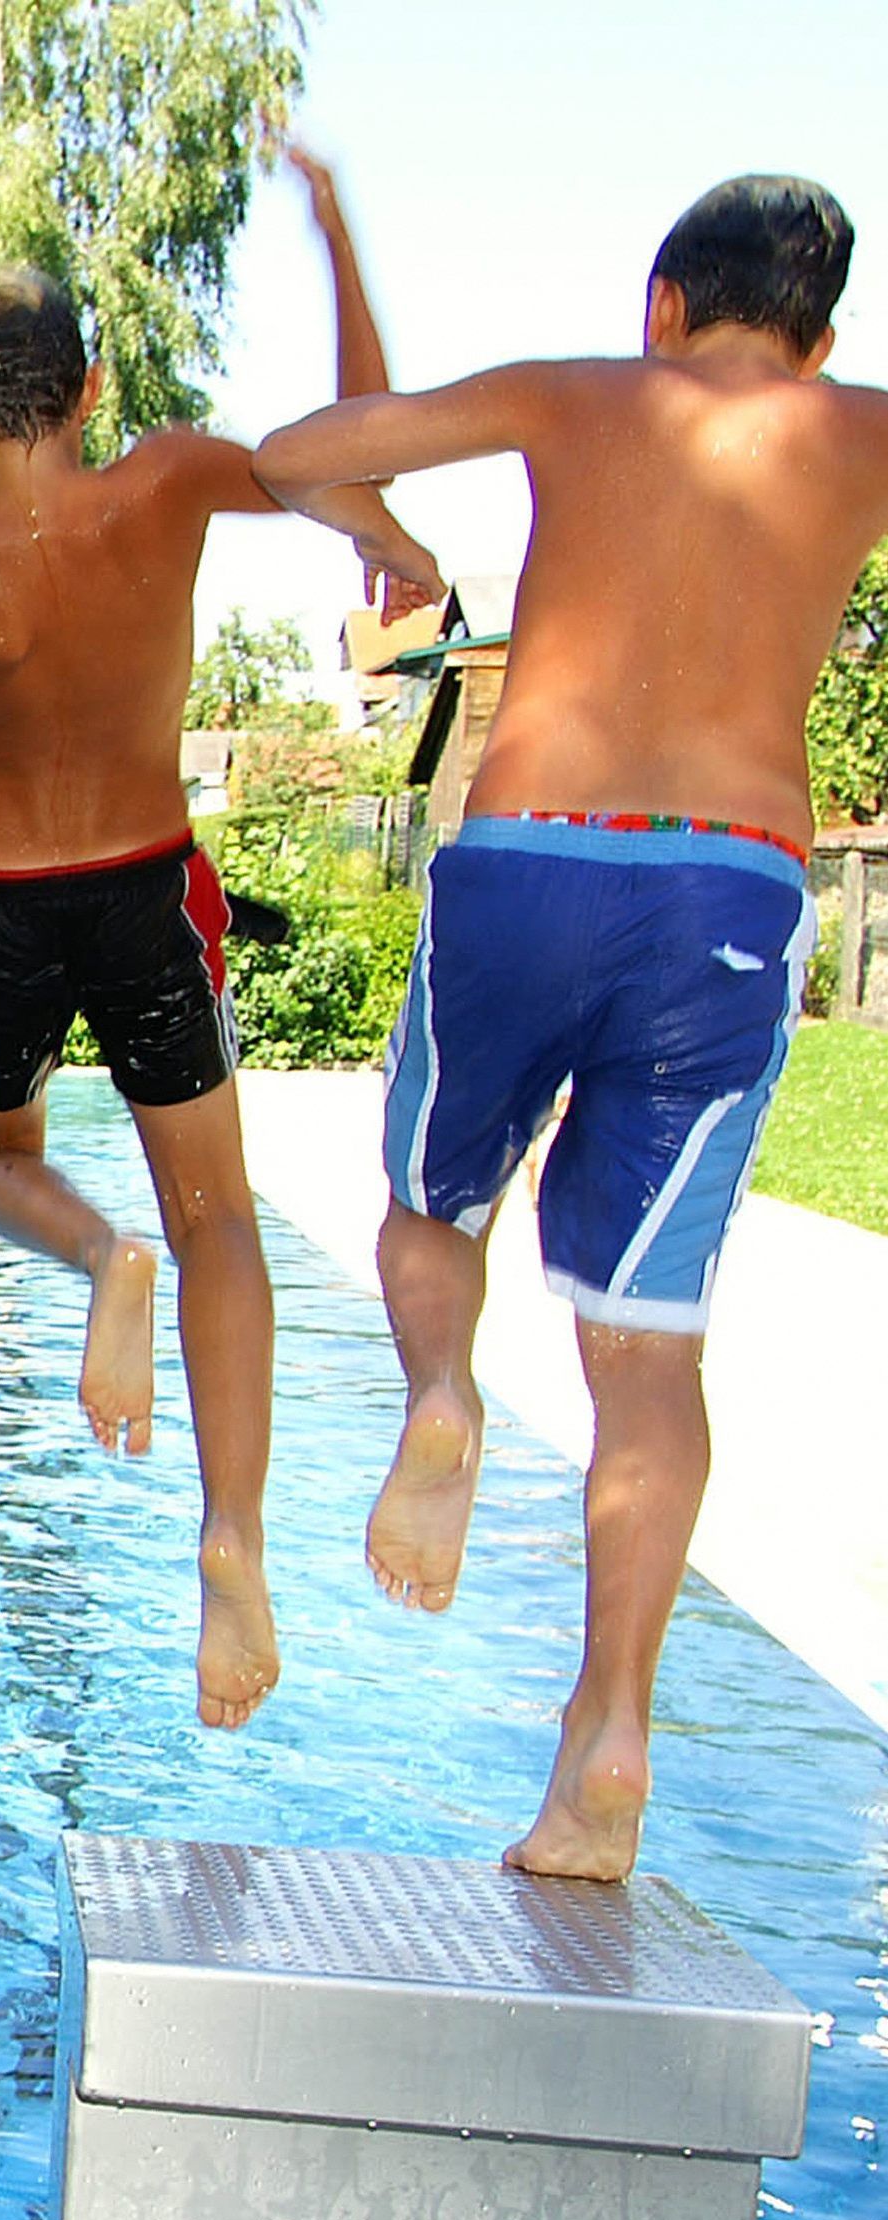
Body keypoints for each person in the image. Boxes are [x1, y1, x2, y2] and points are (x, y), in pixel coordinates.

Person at [255, 175, 888, 1879]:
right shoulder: (862, 432)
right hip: (732, 897)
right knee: (648, 1350)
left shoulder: (579, 392)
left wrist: (378, 534)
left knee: (423, 1207)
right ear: (819, 340)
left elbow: (295, 451)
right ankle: (606, 1732)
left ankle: (443, 1399)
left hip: (531, 858)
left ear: (660, 305)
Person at [0, 148, 441, 1731]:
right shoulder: (171, 478)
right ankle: (232, 1537)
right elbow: (358, 454)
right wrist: (334, 235)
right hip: (147, 887)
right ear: (94, 386)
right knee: (222, 1224)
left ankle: (93, 1251)